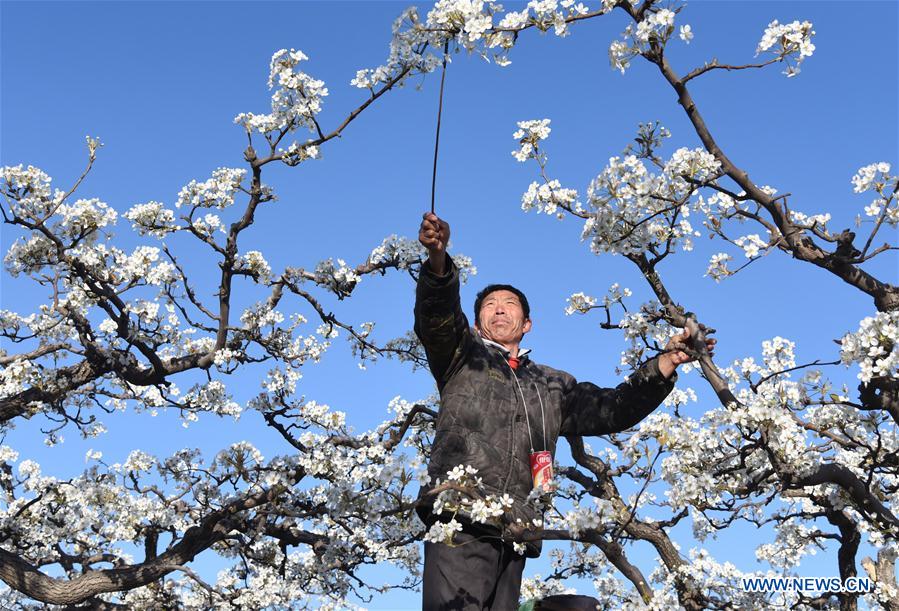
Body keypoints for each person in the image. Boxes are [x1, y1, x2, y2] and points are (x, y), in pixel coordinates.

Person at [414, 212, 715, 610]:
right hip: (460, 517)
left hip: (516, 530)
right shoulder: (461, 356)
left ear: (527, 324)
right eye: (490, 305)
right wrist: (438, 262)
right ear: (477, 320)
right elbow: (437, 316)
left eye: (509, 304)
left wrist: (668, 361)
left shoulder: (552, 384)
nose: (499, 309)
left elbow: (613, 409)